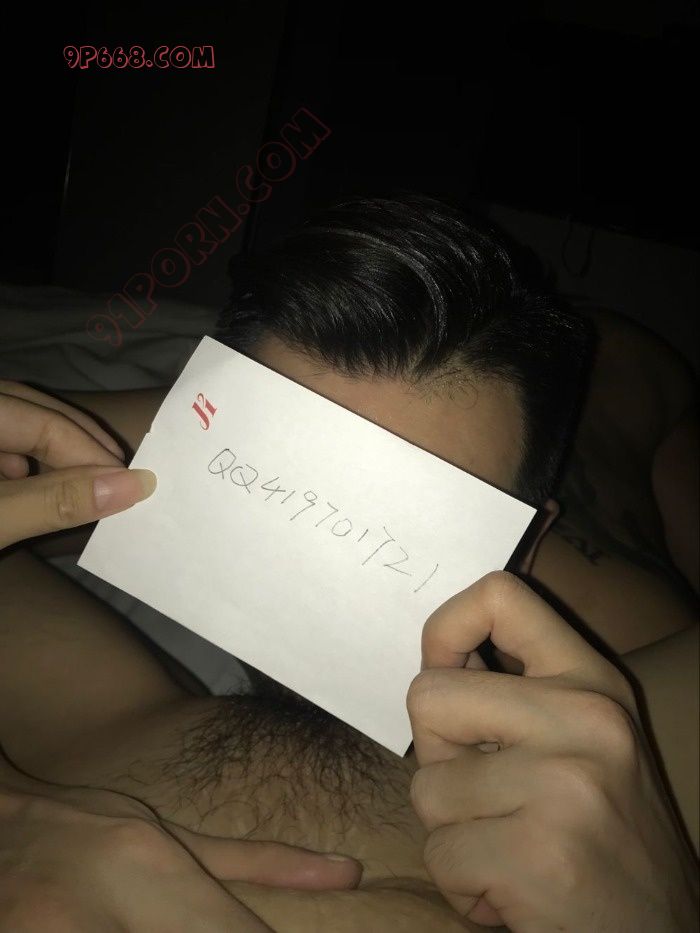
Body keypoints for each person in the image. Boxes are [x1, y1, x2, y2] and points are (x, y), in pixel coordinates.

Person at [0, 194, 697, 929]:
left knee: (636, 380)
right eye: (268, 478)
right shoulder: (632, 744)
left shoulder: (627, 734)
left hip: (629, 400)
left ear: (523, 548)